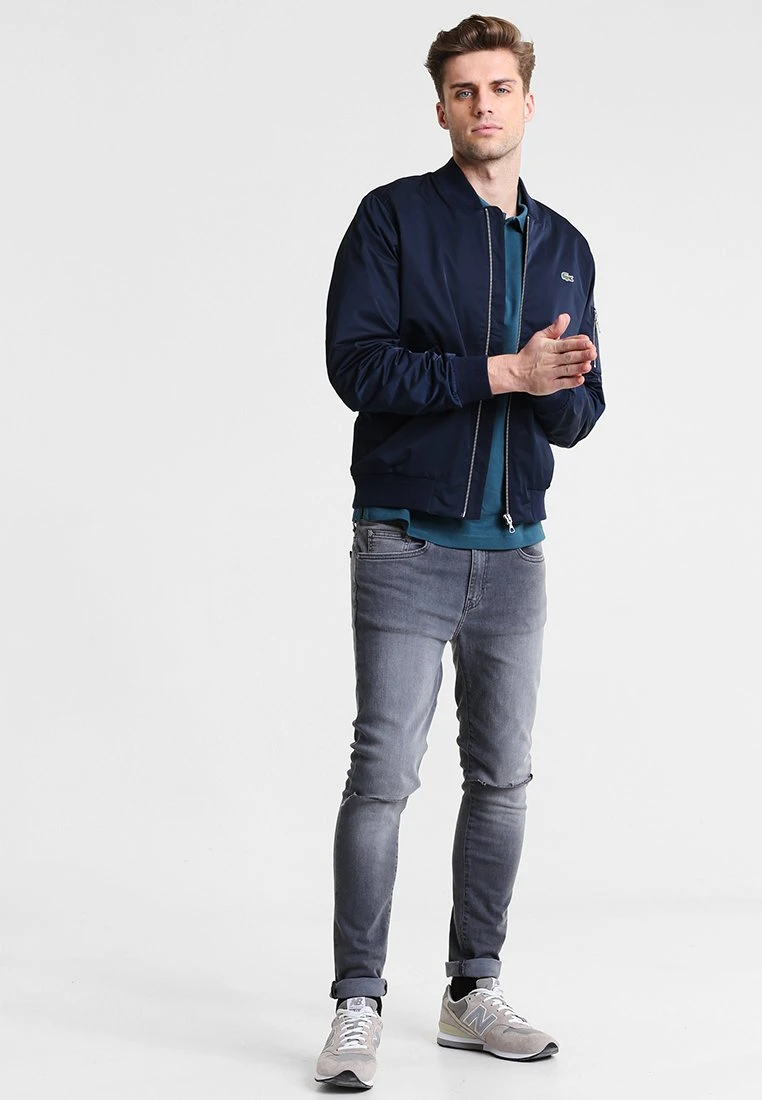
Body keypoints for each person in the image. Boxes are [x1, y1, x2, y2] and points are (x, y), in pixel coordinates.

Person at [314, 13, 604, 1090]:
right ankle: (356, 1001)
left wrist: (560, 385)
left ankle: (471, 989)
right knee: (383, 774)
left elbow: (581, 413)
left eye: (500, 87)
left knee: (504, 779)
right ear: (440, 107)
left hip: (516, 552)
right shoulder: (391, 219)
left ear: (528, 101)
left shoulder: (565, 245)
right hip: (404, 541)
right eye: (465, 90)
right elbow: (358, 366)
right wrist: (501, 372)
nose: (485, 105)